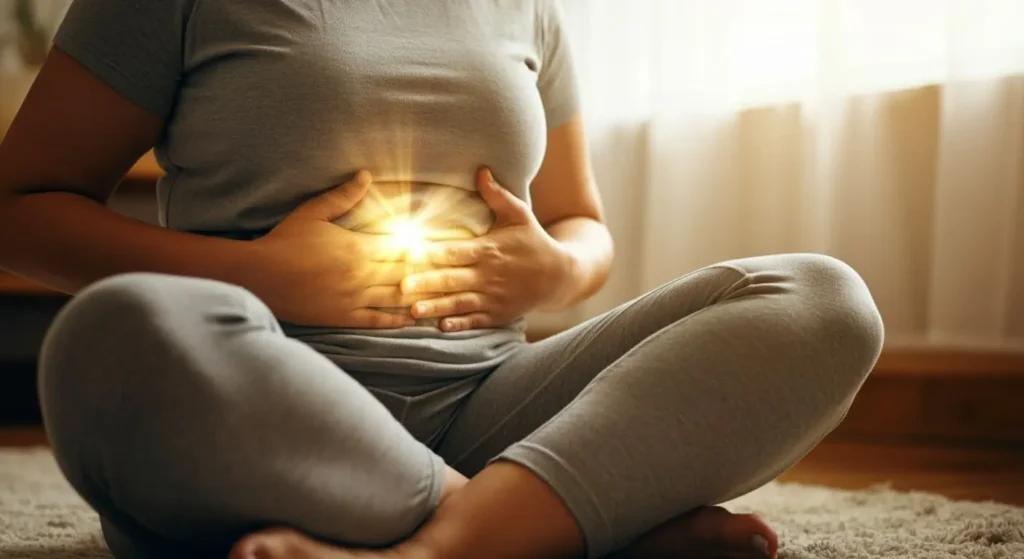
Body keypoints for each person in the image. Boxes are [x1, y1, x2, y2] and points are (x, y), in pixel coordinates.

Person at [0, 1, 884, 558]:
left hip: (489, 406)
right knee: (112, 335)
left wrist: (553, 268)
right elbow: (20, 205)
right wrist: (264, 277)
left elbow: (585, 227)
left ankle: (447, 543)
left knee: (821, 299)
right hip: (258, 413)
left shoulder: (529, 7)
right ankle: (549, 523)